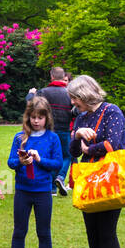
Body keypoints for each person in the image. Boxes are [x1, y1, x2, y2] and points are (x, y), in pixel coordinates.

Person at [69, 74, 125, 248]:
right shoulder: (82, 117)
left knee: (106, 231)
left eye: (75, 98)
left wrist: (88, 148)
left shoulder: (112, 112)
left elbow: (113, 144)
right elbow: (73, 151)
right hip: (89, 180)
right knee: (92, 231)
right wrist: (77, 136)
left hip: (109, 178)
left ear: (85, 94)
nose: (73, 102)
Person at [0, 95, 63, 248]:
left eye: (40, 117)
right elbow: (10, 161)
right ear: (27, 117)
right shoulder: (20, 137)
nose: (36, 121)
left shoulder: (52, 138)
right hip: (23, 192)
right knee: (19, 231)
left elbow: (58, 164)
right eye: (32, 117)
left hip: (43, 192)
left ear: (47, 118)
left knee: (44, 233)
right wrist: (21, 162)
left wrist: (40, 160)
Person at [40, 67, 74, 196]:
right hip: (65, 130)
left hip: (48, 130)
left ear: (52, 76)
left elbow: (34, 106)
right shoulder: (69, 93)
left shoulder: (44, 92)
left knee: (49, 156)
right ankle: (60, 177)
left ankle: (51, 188)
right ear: (62, 76)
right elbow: (75, 112)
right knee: (67, 156)